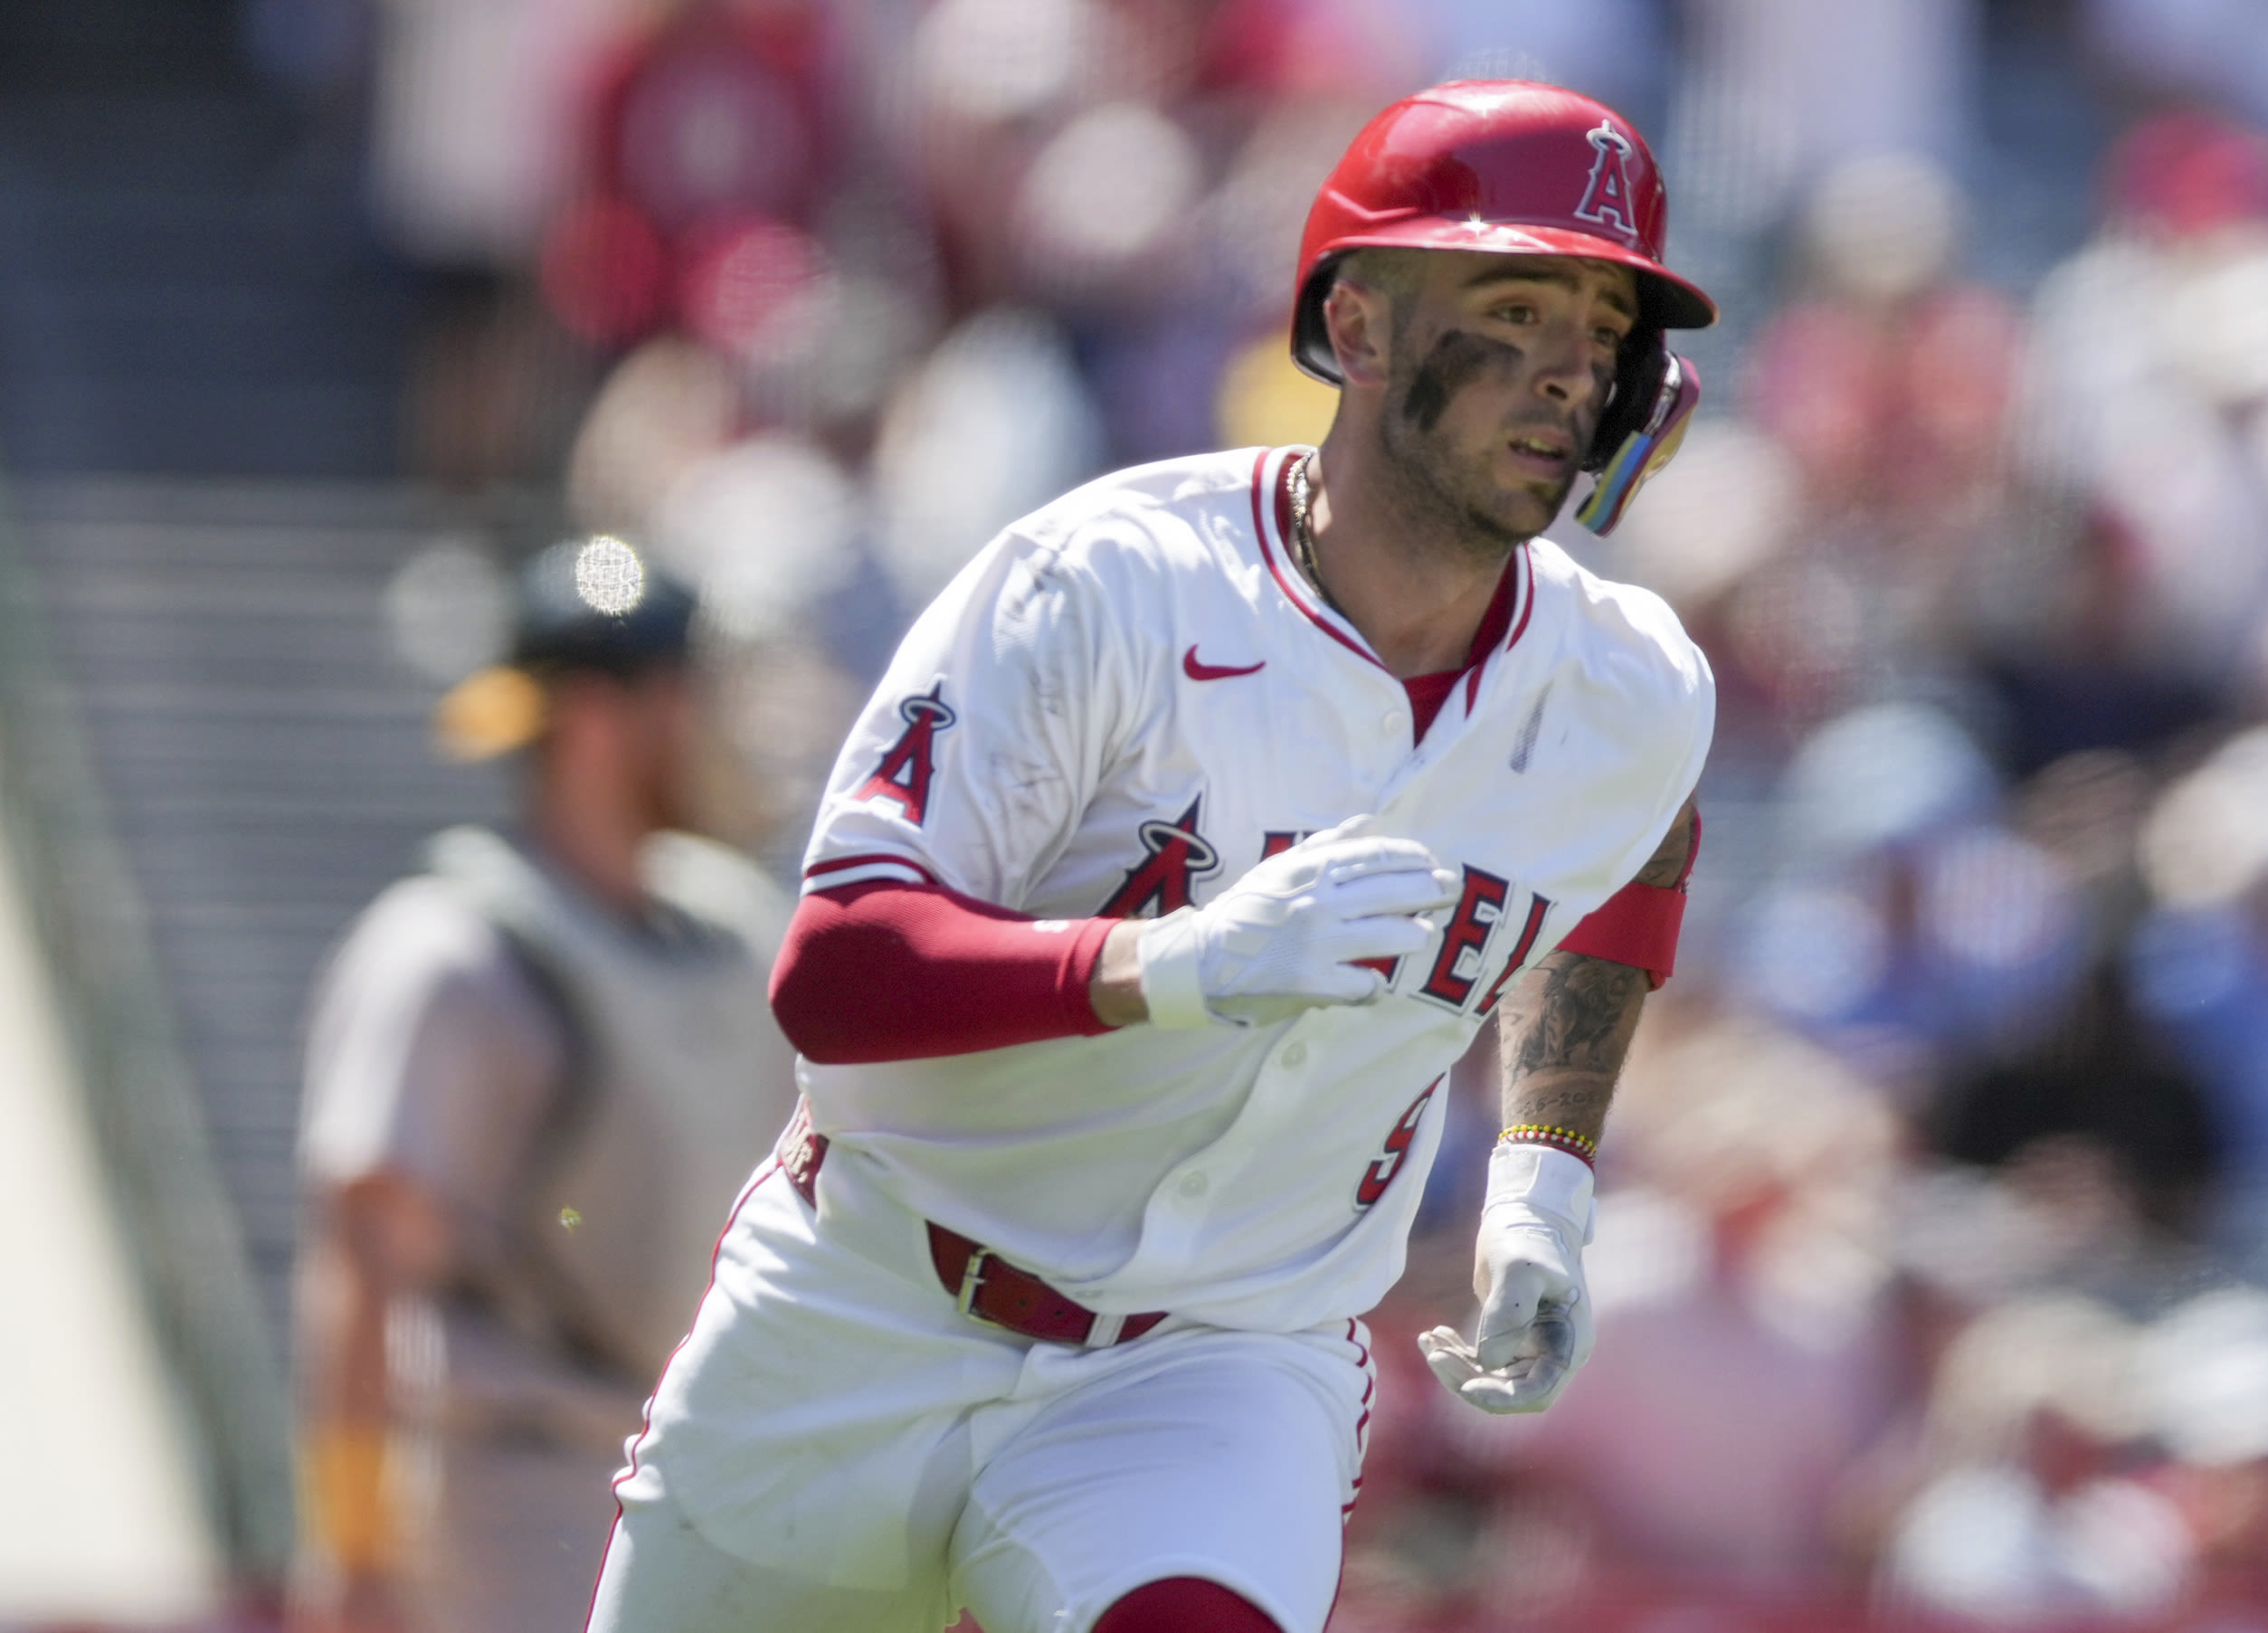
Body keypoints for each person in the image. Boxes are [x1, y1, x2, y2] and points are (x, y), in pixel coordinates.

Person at [588, 81, 1719, 1633]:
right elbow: (835, 974)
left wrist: (1543, 1187)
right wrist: (1178, 966)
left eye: (1601, 331)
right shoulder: (1107, 583)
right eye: (1514, 304)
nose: (1566, 373)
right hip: (876, 1301)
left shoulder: (1626, 685)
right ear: (1360, 323)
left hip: (1218, 1365)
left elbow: (1629, 865)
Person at [290, 537, 798, 1633]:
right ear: (597, 718)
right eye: (686, 692)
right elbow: (365, 1259)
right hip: (505, 1505)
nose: (717, 727)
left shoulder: (732, 922)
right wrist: (353, 1549)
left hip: (699, 1480)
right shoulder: (451, 951)